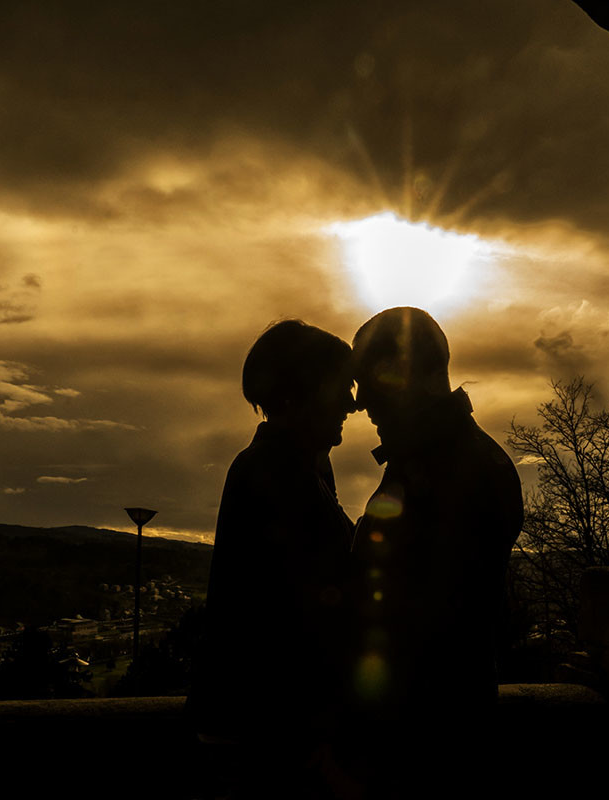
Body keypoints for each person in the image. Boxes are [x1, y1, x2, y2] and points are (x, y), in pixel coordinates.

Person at [339, 306, 523, 795]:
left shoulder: (452, 469)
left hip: (424, 748)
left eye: (368, 382)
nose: (359, 404)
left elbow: (416, 620)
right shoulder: (443, 458)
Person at [190, 319, 358, 791]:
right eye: (342, 387)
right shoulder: (274, 473)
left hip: (266, 730)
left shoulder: (301, 465)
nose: (353, 402)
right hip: (264, 738)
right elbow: (302, 617)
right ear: (301, 390)